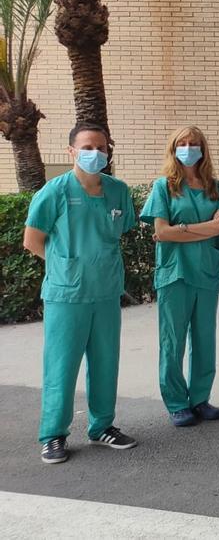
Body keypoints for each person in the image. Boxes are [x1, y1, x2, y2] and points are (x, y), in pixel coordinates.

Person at [24, 123, 138, 464]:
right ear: (71, 151)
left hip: (105, 292)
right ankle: (53, 435)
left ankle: (102, 426)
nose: (95, 153)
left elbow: (120, 230)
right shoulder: (54, 191)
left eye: (101, 147)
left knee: (105, 362)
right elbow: (32, 240)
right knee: (61, 366)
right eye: (87, 147)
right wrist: (65, 265)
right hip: (66, 295)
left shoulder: (118, 191)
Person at [140, 126, 219, 427]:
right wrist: (205, 227)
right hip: (175, 274)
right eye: (182, 143)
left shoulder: (215, 187)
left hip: (205, 272)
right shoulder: (163, 187)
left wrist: (182, 231)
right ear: (173, 148)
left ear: (203, 149)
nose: (189, 148)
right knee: (173, 340)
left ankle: (200, 399)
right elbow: (161, 232)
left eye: (194, 143)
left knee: (205, 339)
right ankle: (178, 403)